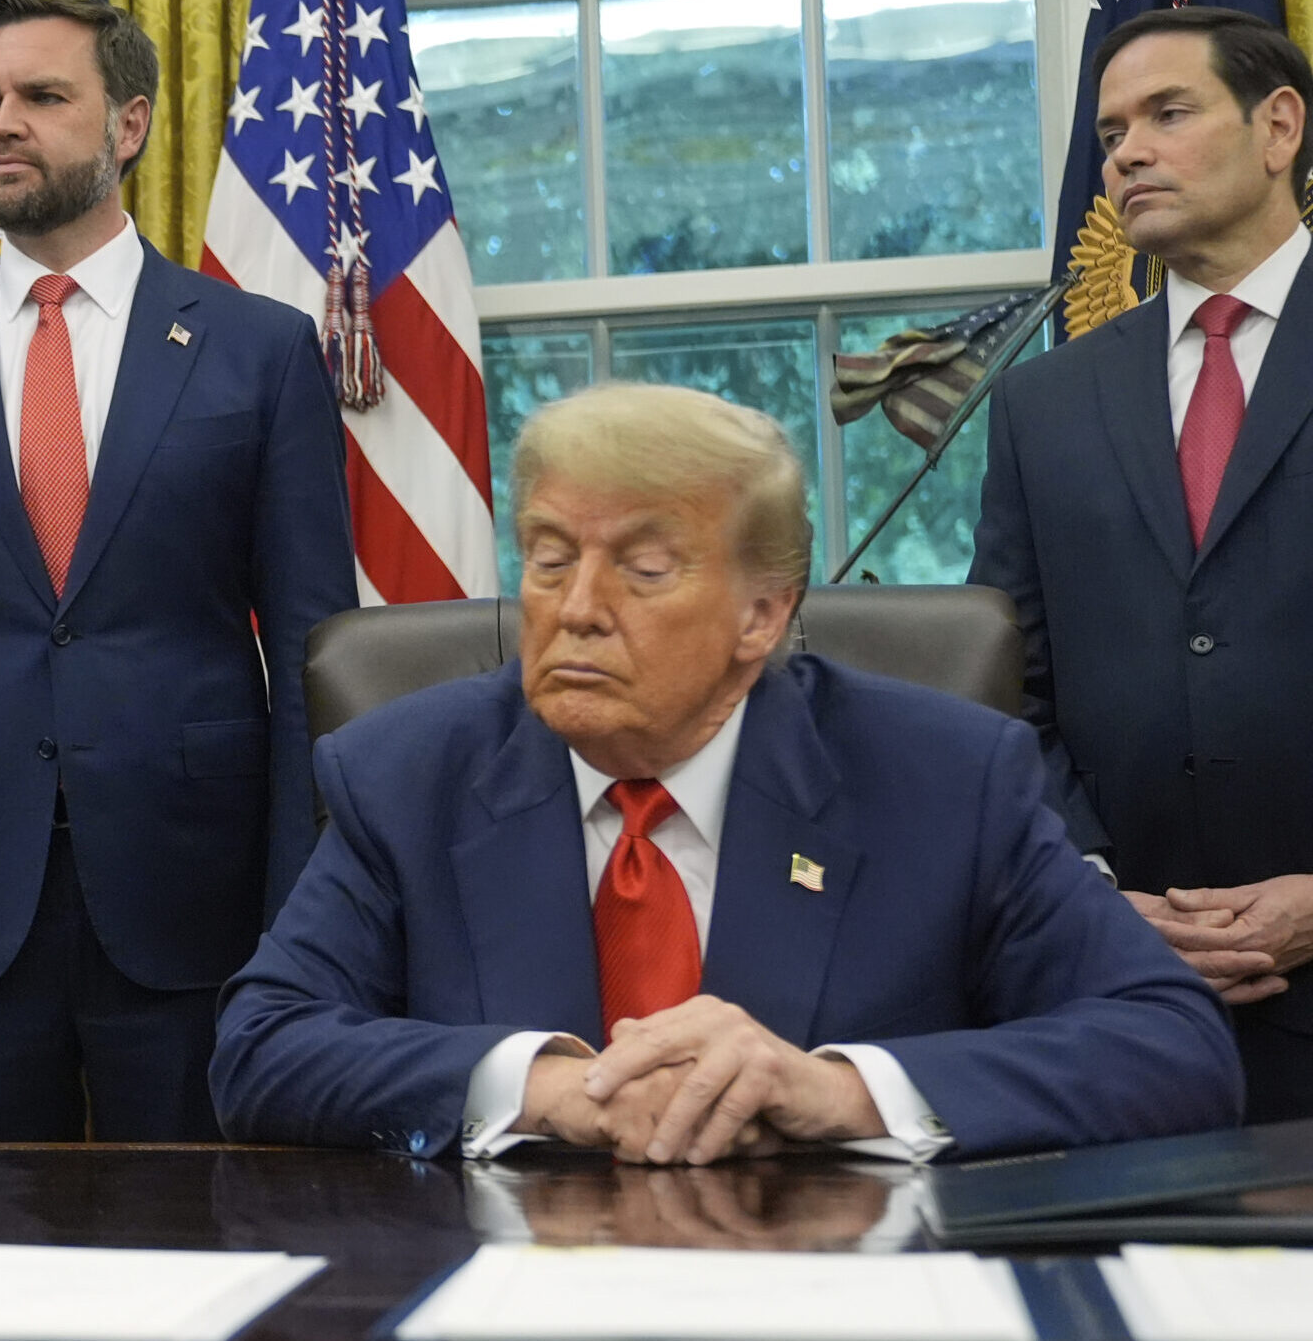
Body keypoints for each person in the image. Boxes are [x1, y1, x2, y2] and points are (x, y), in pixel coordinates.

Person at [213, 384, 1243, 1163]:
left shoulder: (945, 778)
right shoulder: (407, 774)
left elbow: (1171, 1044)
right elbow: (262, 1045)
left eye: (644, 569)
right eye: (550, 557)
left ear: (762, 615)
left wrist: (835, 1092)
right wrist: (549, 1089)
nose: (577, 607)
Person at [0, 0, 358, 1141]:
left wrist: (305, 924)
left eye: (44, 96)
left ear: (128, 124)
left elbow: (319, 663)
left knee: (207, 1232)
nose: (3, 123)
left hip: (202, 912)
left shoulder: (257, 351)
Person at [972, 6, 1313, 1124]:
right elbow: (1004, 690)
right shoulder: (1042, 402)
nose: (1127, 154)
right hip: (1120, 1009)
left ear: (1278, 128)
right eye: (1112, 131)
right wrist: (1092, 891)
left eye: (1168, 114)